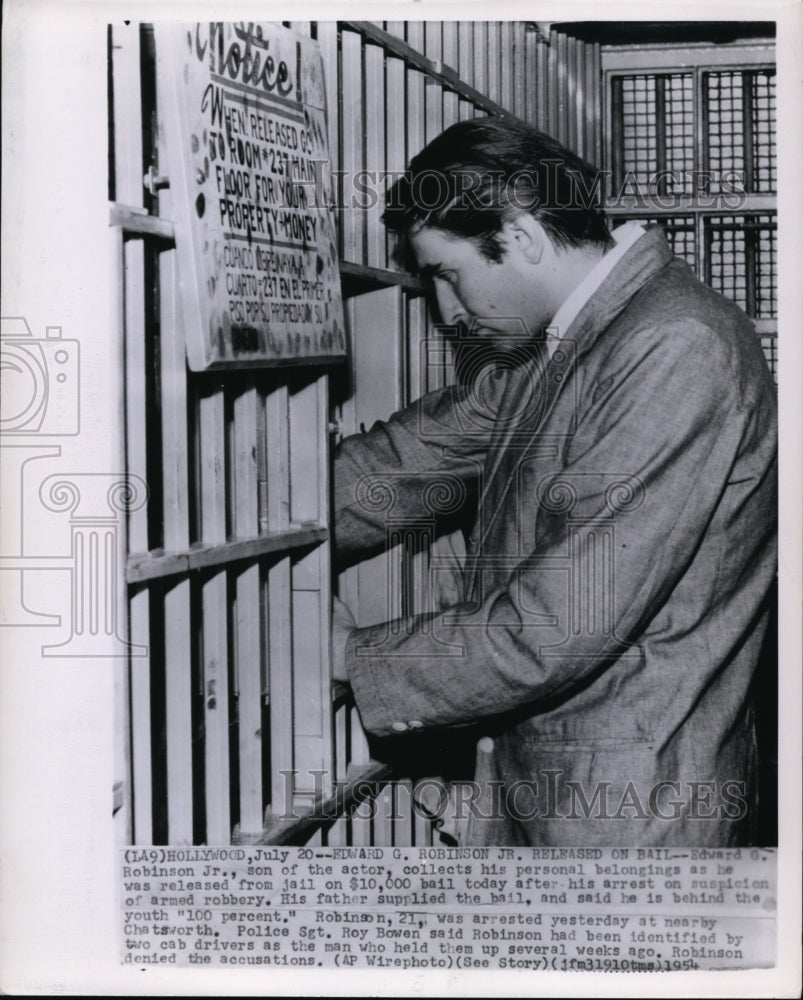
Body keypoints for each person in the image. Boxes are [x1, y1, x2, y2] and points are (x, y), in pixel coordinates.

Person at [330, 116, 777, 846]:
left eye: (447, 274)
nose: (448, 312)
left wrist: (349, 657)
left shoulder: (673, 344)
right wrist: (230, 520)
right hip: (562, 801)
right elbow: (404, 463)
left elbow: (557, 623)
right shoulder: (569, 342)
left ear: (524, 237)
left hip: (632, 829)